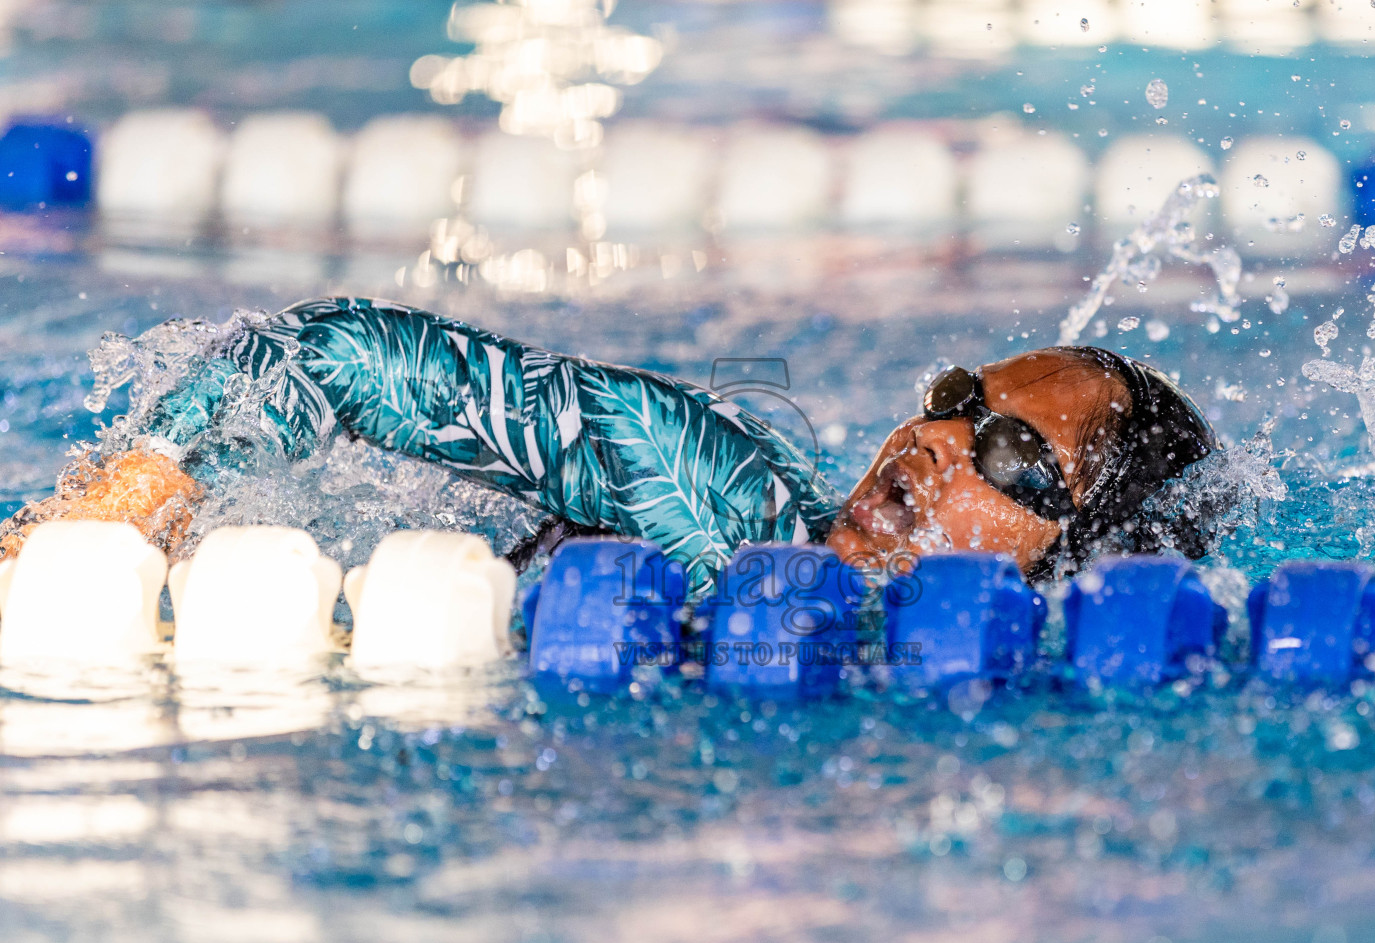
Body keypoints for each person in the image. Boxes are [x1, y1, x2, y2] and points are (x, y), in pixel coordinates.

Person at [0, 297, 1217, 594]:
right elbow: (323, 355)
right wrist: (118, 505)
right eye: (956, 396)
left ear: (1083, 559)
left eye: (1011, 454)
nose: (938, 440)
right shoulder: (710, 492)